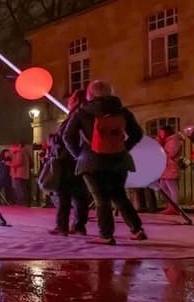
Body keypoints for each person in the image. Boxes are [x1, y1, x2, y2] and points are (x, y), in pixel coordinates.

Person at [63, 80, 147, 245]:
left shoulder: (82, 112)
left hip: (92, 161)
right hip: (119, 160)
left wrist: (79, 154)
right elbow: (137, 133)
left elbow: (67, 136)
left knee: (101, 198)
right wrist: (123, 148)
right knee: (119, 195)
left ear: (90, 94)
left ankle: (106, 234)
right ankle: (137, 229)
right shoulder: (122, 111)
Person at [48, 89, 91, 236]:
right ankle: (79, 225)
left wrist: (54, 140)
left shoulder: (74, 116)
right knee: (80, 194)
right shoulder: (91, 116)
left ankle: (62, 226)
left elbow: (65, 138)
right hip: (83, 159)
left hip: (68, 159)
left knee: (63, 194)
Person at [157, 125, 183, 215]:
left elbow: (172, 153)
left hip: (171, 167)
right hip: (166, 167)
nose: (160, 134)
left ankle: (174, 207)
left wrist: (161, 146)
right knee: (163, 187)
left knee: (172, 188)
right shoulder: (168, 141)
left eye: (161, 132)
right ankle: (171, 206)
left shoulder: (174, 140)